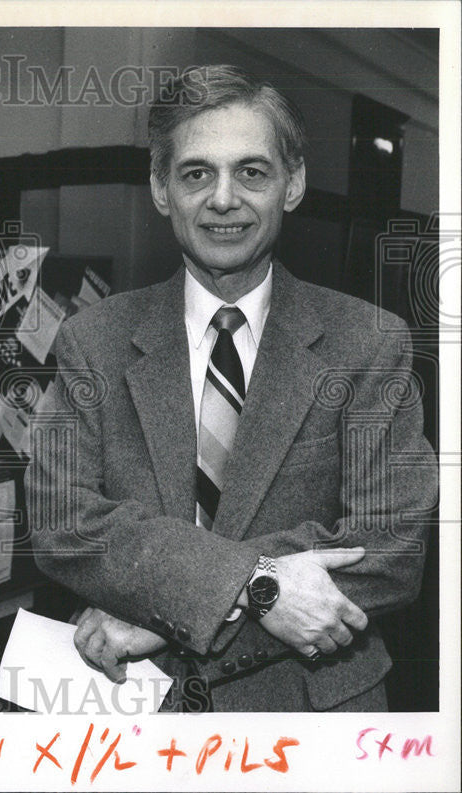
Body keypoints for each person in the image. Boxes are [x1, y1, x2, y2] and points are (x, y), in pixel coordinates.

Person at [26, 65, 438, 712]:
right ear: (161, 189)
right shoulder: (92, 341)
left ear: (293, 184)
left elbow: (390, 549)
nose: (224, 198)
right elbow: (62, 522)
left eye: (252, 171)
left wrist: (164, 608)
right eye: (196, 173)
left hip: (311, 715)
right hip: (135, 716)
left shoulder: (369, 344)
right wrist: (257, 581)